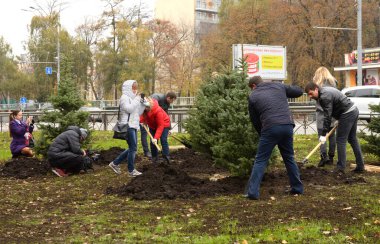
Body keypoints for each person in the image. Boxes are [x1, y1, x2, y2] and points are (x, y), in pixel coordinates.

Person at [246, 76, 304, 200]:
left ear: (253, 86)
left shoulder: (253, 96)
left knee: (261, 160)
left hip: (270, 127)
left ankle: (252, 192)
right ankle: (297, 188)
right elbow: (299, 92)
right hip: (288, 125)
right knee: (289, 157)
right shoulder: (279, 86)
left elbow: (255, 120)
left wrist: (262, 134)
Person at [305, 82, 365, 173]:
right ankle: (360, 166)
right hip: (353, 110)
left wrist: (323, 134)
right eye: (308, 94)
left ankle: (340, 167)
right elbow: (335, 106)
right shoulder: (324, 91)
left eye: (311, 93)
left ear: (316, 89)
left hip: (347, 113)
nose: (310, 96)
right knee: (352, 139)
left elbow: (327, 116)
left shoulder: (324, 96)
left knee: (340, 140)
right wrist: (338, 118)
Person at [109, 80, 149, 176]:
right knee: (133, 148)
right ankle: (131, 170)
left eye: (136, 88)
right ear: (128, 88)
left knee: (132, 148)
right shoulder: (124, 98)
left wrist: (143, 104)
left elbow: (137, 113)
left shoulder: (133, 98)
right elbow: (129, 109)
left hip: (133, 125)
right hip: (127, 126)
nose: (135, 90)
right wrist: (137, 100)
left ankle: (115, 163)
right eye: (133, 88)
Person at [313, 67, 337, 167]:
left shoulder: (316, 84)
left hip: (321, 114)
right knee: (332, 136)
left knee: (322, 136)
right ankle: (331, 157)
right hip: (332, 113)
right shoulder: (334, 82)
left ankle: (323, 158)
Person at [140, 92, 177, 158]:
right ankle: (154, 157)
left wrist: (156, 137)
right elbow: (142, 115)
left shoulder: (157, 111)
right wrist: (142, 121)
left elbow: (160, 125)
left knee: (163, 139)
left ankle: (166, 156)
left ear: (150, 106)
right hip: (153, 125)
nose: (145, 109)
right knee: (153, 142)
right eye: (144, 108)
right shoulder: (145, 108)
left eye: (146, 108)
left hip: (164, 124)